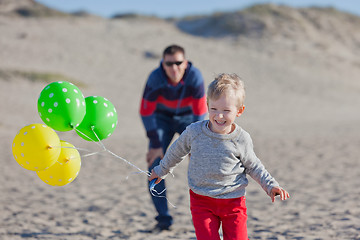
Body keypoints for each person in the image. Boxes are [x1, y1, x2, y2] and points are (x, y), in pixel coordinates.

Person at [149, 73, 290, 240]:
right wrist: (161, 169)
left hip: (233, 201)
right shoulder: (194, 132)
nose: (219, 116)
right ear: (207, 105)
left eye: (226, 110)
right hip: (201, 201)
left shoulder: (241, 138)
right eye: (214, 109)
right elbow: (176, 151)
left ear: (240, 111)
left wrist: (270, 185)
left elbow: (253, 166)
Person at [139, 44, 208, 231]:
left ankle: (207, 216)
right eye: (169, 64)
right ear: (163, 63)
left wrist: (196, 143)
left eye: (178, 63)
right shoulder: (155, 77)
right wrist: (154, 143)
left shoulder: (194, 76)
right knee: (154, 164)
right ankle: (163, 219)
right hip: (162, 119)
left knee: (201, 162)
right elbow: (146, 111)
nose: (174, 68)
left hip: (188, 119)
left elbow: (200, 112)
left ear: (185, 63)